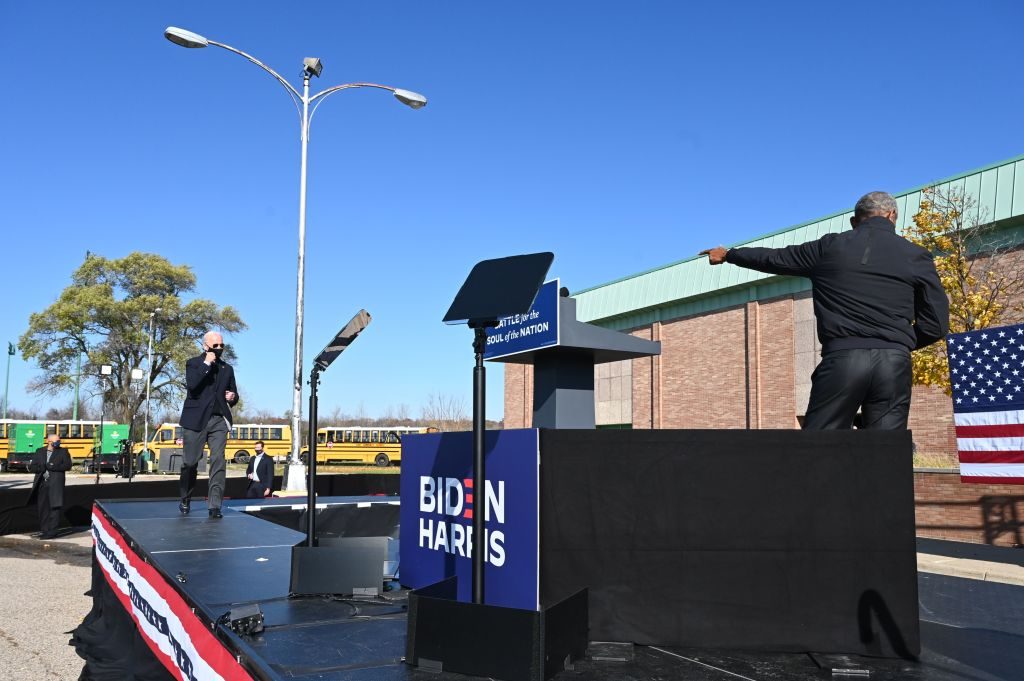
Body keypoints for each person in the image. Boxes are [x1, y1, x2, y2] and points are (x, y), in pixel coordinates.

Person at [700, 191, 949, 430]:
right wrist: (897, 342)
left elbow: (775, 258)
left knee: (820, 447)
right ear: (892, 215)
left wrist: (730, 254)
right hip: (893, 364)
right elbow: (936, 324)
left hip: (843, 359)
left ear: (854, 221)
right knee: (886, 448)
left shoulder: (828, 248)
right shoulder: (917, 256)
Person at [179, 331, 239, 518]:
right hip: (195, 420)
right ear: (205, 346)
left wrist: (233, 396)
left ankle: (215, 505)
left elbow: (234, 393)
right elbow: (193, 386)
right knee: (190, 462)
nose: (219, 348)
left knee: (218, 460)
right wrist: (207, 364)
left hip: (219, 420)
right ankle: (185, 497)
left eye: (222, 345)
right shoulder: (193, 363)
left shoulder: (227, 369)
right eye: (216, 345)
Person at [28, 434, 72, 539]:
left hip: (55, 484)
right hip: (42, 483)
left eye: (59, 441)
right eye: (56, 441)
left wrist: (53, 466)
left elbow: (68, 465)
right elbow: (32, 467)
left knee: (55, 508)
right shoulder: (40, 451)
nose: (58, 443)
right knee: (43, 508)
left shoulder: (63, 451)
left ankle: (52, 532)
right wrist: (41, 468)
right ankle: (45, 531)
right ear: (49, 441)